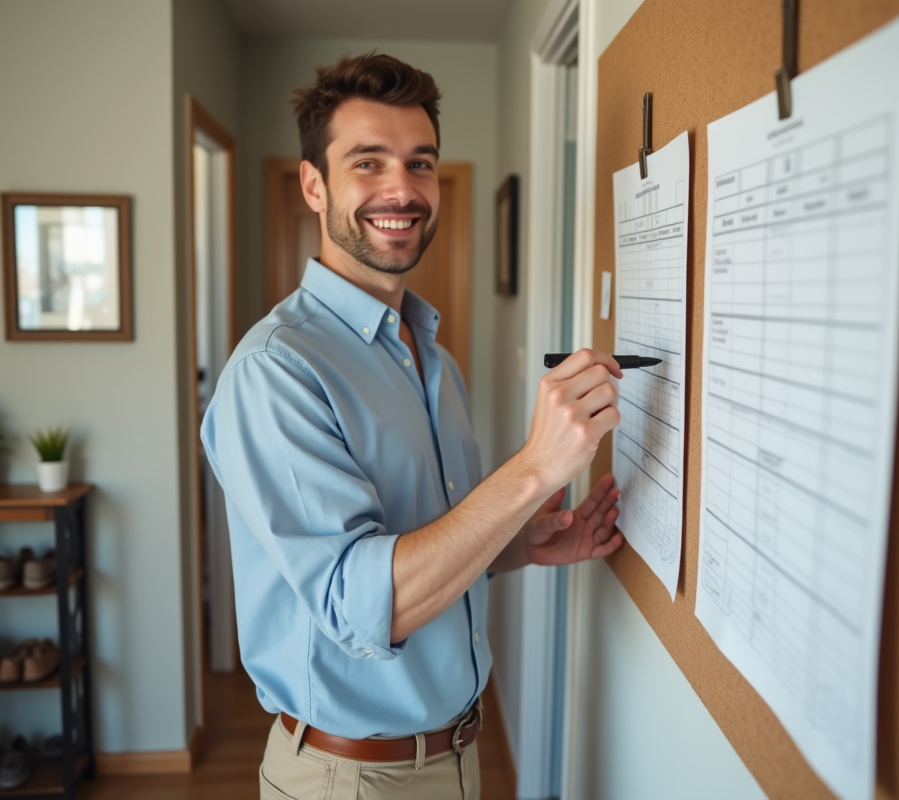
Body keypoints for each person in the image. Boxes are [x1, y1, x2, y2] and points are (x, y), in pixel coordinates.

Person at [201, 53, 625, 800]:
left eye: (419, 163)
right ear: (314, 185)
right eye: (367, 162)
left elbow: (427, 539)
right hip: (350, 778)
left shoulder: (431, 357)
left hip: (457, 756)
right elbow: (363, 603)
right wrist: (533, 469)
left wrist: (519, 543)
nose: (401, 189)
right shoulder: (276, 372)